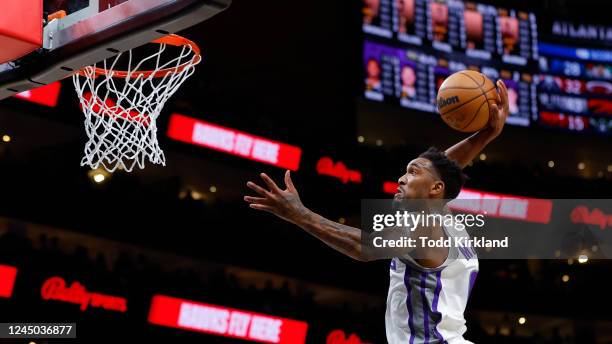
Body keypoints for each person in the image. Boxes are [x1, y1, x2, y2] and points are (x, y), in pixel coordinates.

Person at [244, 81, 510, 343]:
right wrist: (487, 134)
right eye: (406, 171)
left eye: (413, 172)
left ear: (435, 189)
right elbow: (446, 169)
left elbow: (364, 246)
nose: (401, 179)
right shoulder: (447, 219)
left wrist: (299, 214)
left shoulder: (425, 228)